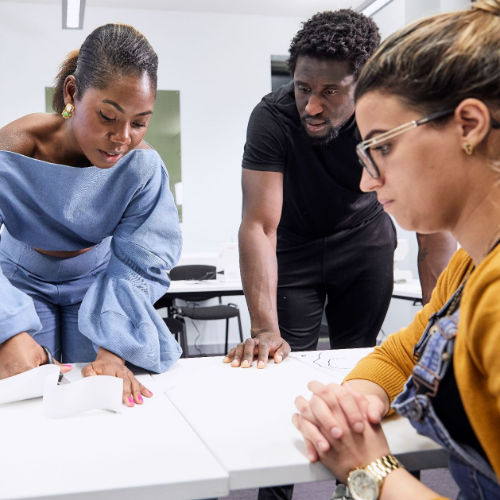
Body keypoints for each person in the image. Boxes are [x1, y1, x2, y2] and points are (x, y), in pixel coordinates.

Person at [292, 1, 500, 499]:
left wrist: (370, 470)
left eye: (381, 147)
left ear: (469, 125)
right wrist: (357, 401)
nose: (367, 182)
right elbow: (403, 353)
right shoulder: (472, 267)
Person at [225, 9, 456, 373]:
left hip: (364, 243)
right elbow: (259, 225)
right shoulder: (272, 118)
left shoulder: (390, 117)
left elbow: (432, 227)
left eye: (330, 91)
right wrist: (264, 329)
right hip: (294, 246)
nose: (312, 106)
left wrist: (439, 323)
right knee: (280, 359)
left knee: (358, 358)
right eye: (303, 88)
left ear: (363, 85)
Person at [0, 23, 182, 406]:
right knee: (27, 394)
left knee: (98, 395)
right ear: (72, 93)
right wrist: (6, 329)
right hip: (17, 284)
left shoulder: (142, 169)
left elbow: (139, 265)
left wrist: (115, 347)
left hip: (99, 289)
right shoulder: (11, 150)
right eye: (108, 116)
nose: (123, 137)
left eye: (140, 121)